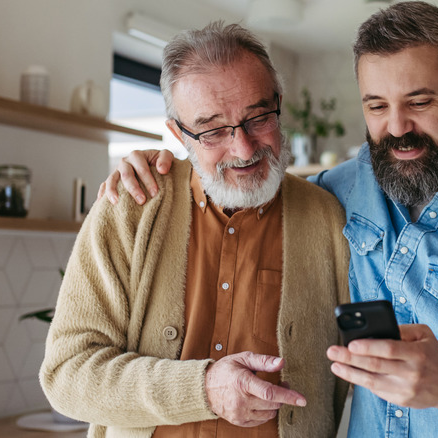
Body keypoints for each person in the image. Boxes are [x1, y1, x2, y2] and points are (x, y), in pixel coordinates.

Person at [102, 2, 438, 437]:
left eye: (420, 102)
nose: (398, 128)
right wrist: (162, 165)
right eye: (377, 106)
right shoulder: (335, 195)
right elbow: (240, 174)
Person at [40, 22, 351, 438]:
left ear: (279, 105)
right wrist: (203, 389)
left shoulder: (329, 219)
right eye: (212, 130)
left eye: (258, 117)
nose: (243, 148)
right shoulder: (130, 209)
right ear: (178, 134)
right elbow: (66, 374)